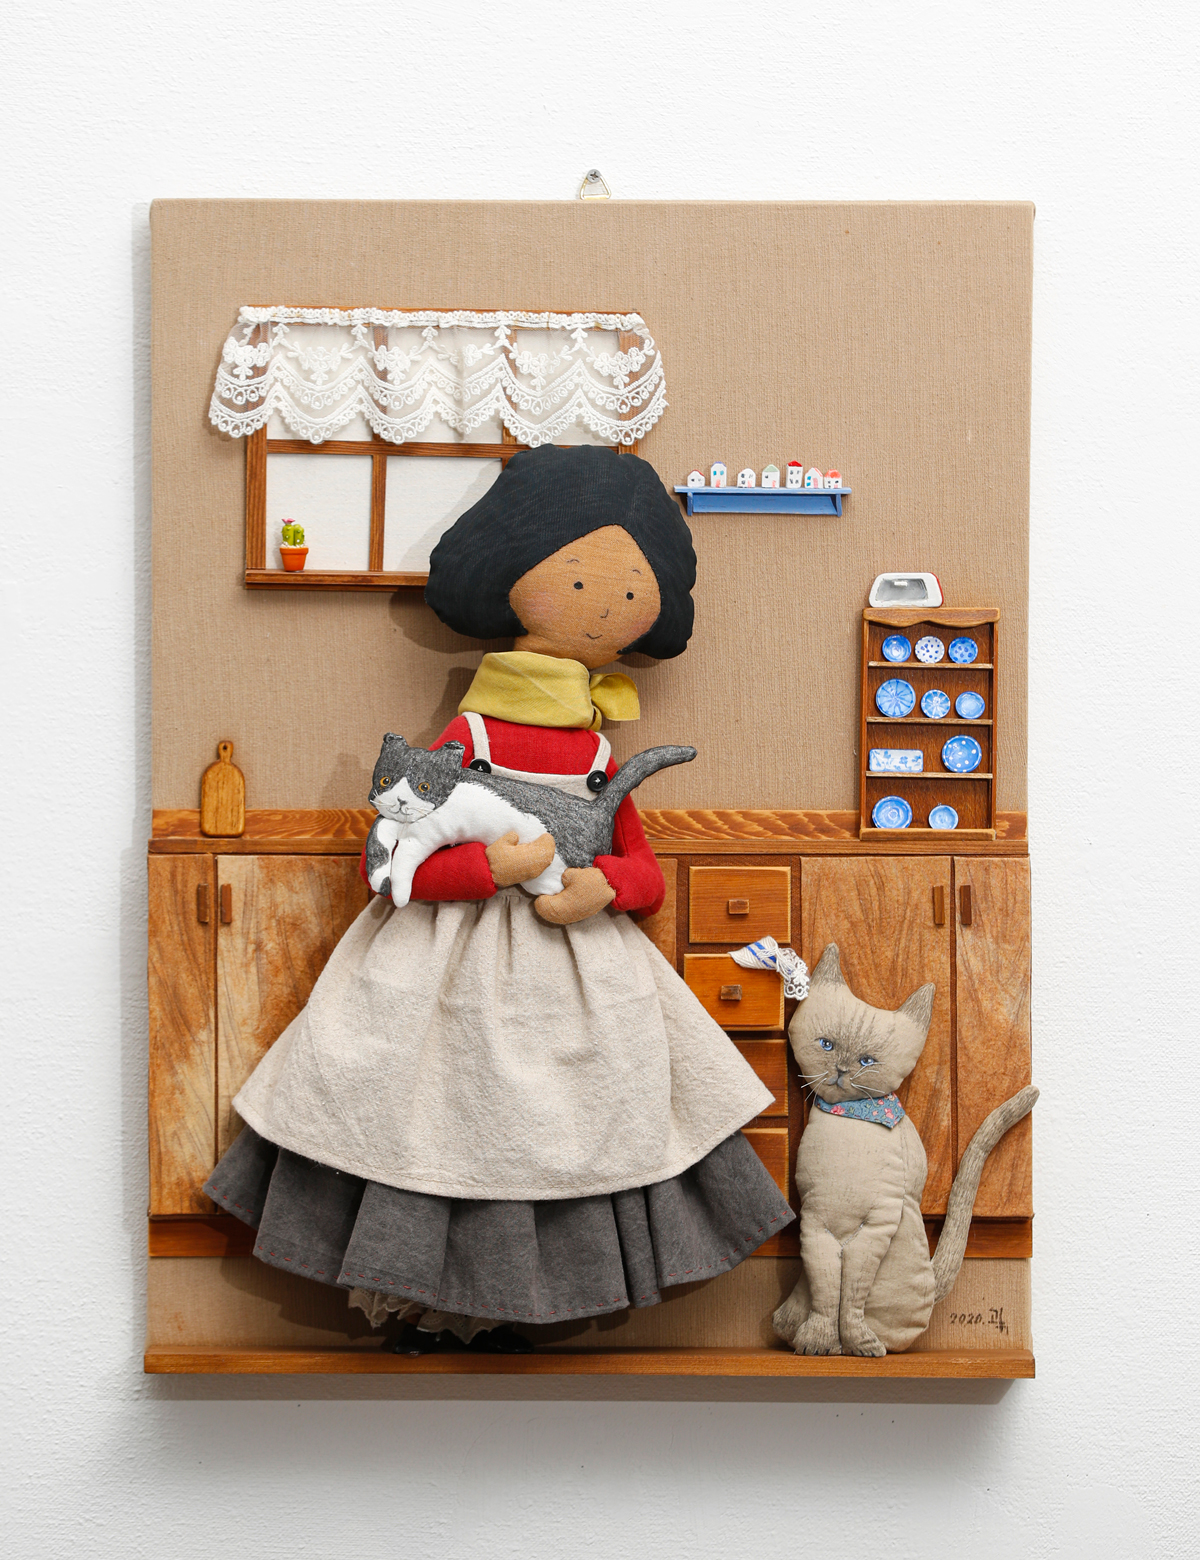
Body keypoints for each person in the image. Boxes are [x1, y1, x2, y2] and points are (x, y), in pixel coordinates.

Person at [205, 444, 794, 1353]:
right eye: (580, 582)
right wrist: (490, 871)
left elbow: (642, 872)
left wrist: (605, 884)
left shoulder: (600, 755)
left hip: (580, 966)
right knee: (438, 1114)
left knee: (584, 1117)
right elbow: (392, 865)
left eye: (627, 592)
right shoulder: (468, 737)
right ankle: (427, 1301)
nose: (605, 607)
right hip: (447, 965)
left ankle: (531, 1302)